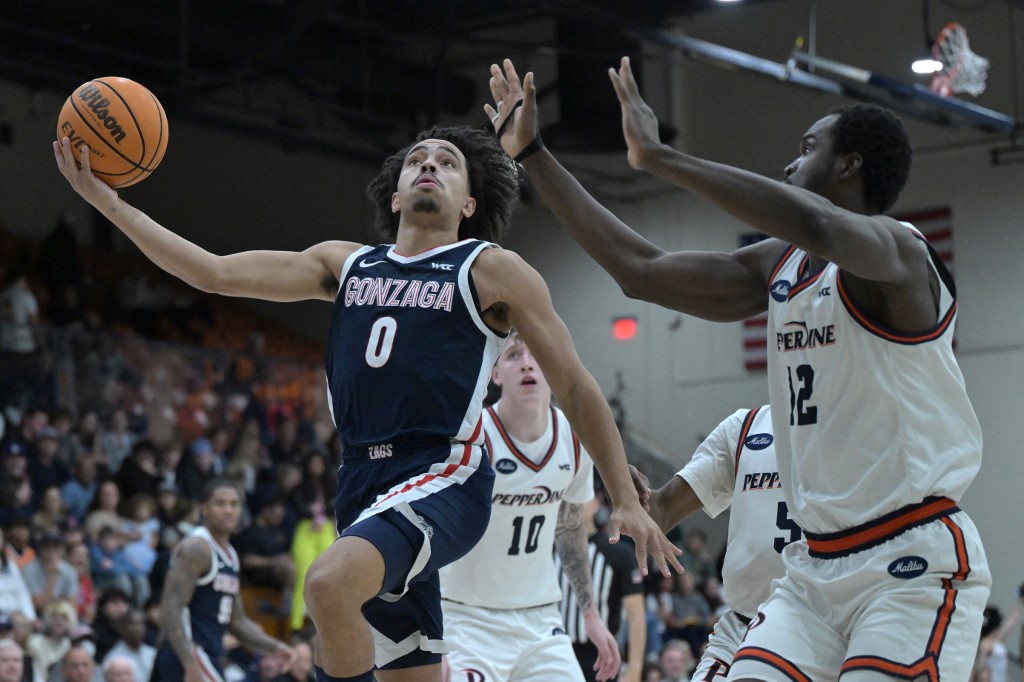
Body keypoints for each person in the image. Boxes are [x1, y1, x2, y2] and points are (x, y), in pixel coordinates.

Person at [56, 119, 680, 682]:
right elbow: (212, 271)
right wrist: (107, 203)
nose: (429, 164)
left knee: (326, 584)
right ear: (394, 193)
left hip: (446, 475)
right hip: (361, 482)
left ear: (468, 202)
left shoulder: (490, 269)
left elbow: (573, 383)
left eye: (448, 161)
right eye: (417, 159)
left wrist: (623, 497)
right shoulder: (346, 265)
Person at [485, 56, 990, 680]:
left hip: (909, 559)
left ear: (849, 164)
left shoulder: (902, 255)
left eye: (807, 149)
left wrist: (662, 158)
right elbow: (638, 270)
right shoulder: (781, 266)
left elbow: (821, 223)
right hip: (812, 569)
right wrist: (533, 151)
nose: (789, 163)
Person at [439, 333, 620, 682]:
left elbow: (569, 527)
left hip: (540, 621)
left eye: (537, 354)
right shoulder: (473, 439)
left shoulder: (576, 438)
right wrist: (432, 633)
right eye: (513, 355)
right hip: (467, 619)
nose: (527, 362)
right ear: (495, 374)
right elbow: (434, 533)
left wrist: (590, 614)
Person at [633, 406, 800, 680]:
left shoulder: (862, 421)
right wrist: (625, 493)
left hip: (825, 628)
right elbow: (662, 509)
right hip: (743, 630)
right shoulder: (746, 426)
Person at [151, 479, 294, 682]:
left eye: (234, 504)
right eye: (220, 503)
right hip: (189, 653)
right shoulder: (197, 548)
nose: (228, 510)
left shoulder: (231, 555)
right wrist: (189, 663)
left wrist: (275, 646)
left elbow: (237, 621)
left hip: (209, 652)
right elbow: (171, 608)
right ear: (204, 509)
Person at [557, 496, 646, 682]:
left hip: (599, 658)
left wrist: (635, 669)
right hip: (555, 651)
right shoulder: (550, 548)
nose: (574, 506)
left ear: (596, 503)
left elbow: (636, 615)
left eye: (581, 498)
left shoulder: (619, 553)